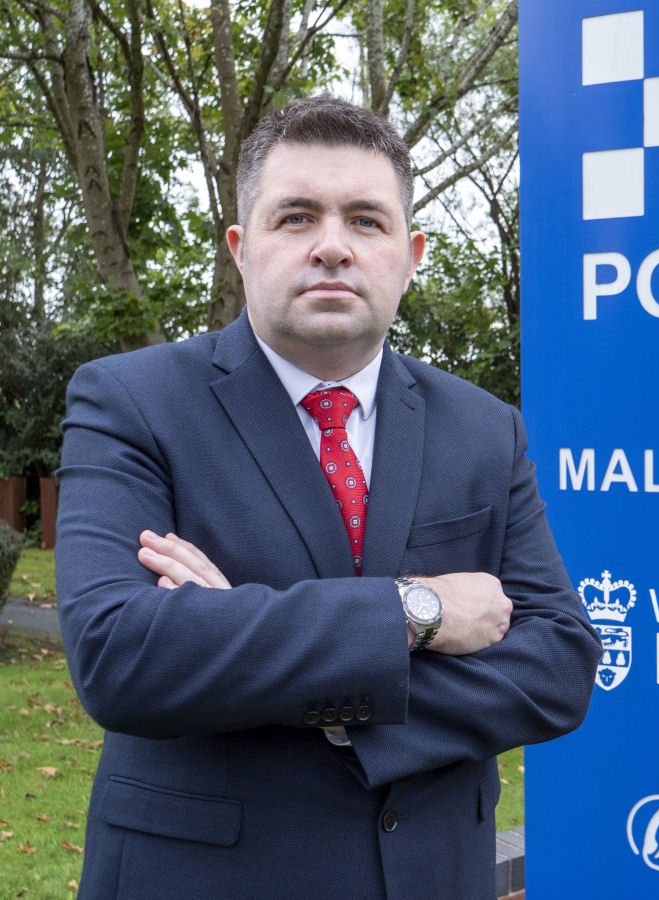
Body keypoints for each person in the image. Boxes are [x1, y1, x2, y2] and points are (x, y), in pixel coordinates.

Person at [55, 95, 601, 899]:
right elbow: (120, 654)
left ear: (411, 255)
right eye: (297, 217)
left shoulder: (488, 429)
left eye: (367, 221)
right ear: (242, 248)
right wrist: (417, 614)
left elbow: (558, 665)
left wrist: (310, 688)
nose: (333, 247)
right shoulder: (130, 401)